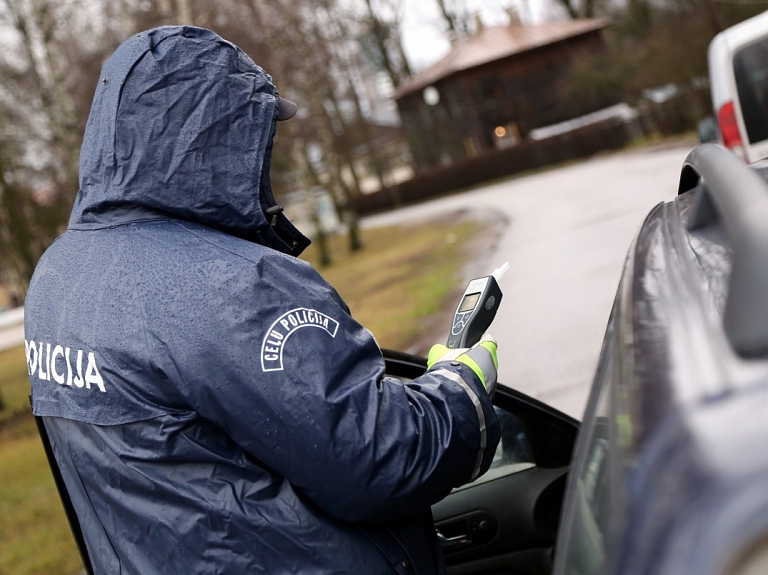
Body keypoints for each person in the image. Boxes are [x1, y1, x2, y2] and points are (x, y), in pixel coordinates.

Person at [24, 26, 500, 574]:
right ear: (220, 138)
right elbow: (381, 461)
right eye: (257, 134)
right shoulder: (236, 287)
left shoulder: (59, 279)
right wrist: (461, 393)